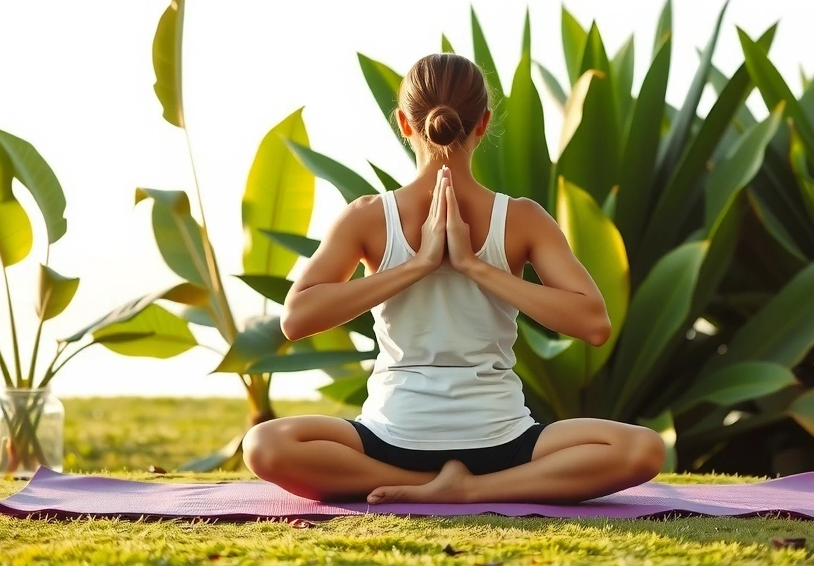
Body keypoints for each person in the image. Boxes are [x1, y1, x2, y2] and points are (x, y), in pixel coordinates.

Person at [242, 53, 665, 505]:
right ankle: (468, 489)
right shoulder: (523, 219)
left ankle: (448, 488)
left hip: (454, 438)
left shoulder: (367, 217)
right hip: (466, 443)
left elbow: (293, 320)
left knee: (264, 446)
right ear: (483, 124)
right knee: (643, 449)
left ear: (404, 124)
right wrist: (418, 264)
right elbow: (596, 324)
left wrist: (472, 264)